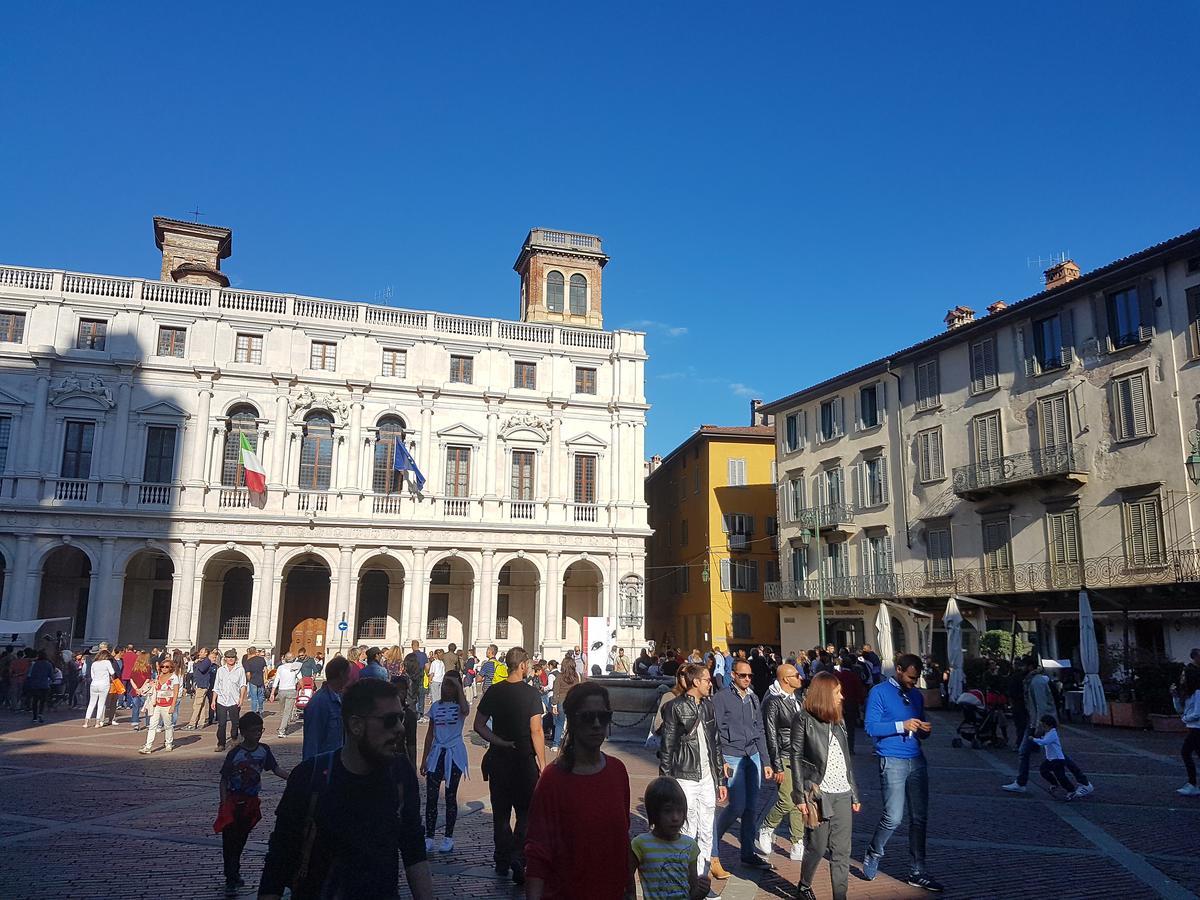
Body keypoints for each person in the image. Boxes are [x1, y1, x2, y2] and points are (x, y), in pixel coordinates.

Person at [258, 679, 434, 899]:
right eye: (389, 720)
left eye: (401, 717)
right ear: (356, 725)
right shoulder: (309, 776)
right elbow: (278, 860)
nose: (400, 728)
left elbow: (413, 849)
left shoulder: (401, 774)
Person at [524, 681, 631, 898]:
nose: (597, 724)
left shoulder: (618, 771)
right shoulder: (552, 780)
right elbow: (538, 851)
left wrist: (629, 891)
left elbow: (622, 840)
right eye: (588, 717)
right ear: (571, 720)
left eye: (604, 716)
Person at [862, 653, 942, 892]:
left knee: (919, 818)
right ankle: (874, 852)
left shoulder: (916, 696)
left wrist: (925, 729)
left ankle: (918, 870)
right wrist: (902, 725)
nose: (913, 682)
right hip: (891, 759)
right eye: (909, 677)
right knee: (893, 816)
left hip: (916, 759)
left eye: (916, 678)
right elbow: (870, 727)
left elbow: (921, 729)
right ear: (898, 669)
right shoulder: (879, 692)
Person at [473, 646, 546, 885]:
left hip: (499, 761)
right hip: (524, 762)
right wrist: (543, 763)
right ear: (523, 665)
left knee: (501, 814)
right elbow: (536, 730)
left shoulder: (494, 691)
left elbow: (479, 725)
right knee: (525, 813)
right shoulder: (532, 694)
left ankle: (501, 859)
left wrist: (499, 741)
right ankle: (518, 854)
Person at [789, 671, 861, 900]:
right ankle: (804, 885)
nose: (841, 697)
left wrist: (855, 794)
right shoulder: (803, 719)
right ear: (824, 694)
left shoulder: (839, 721)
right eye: (837, 692)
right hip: (818, 794)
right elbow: (795, 757)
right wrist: (800, 797)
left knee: (842, 852)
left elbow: (847, 761)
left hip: (842, 792)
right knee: (818, 848)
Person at [659, 663, 728, 879]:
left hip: (707, 777)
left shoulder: (708, 706)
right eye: (707, 680)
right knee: (688, 826)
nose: (710, 683)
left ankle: (702, 875)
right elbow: (667, 746)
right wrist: (666, 782)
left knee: (707, 827)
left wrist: (720, 781)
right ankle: (685, 876)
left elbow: (715, 744)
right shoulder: (675, 707)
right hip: (685, 775)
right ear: (696, 682)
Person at [215, 712, 288, 896]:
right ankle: (231, 876)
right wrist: (223, 802)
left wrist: (293, 778)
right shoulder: (235, 753)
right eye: (254, 731)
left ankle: (234, 871)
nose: (258, 734)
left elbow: (275, 769)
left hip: (250, 803)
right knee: (229, 841)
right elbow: (224, 778)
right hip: (232, 801)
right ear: (244, 732)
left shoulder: (264, 750)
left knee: (240, 839)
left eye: (260, 730)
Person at [710, 658, 773, 872]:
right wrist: (721, 761)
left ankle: (747, 852)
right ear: (733, 675)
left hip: (752, 755)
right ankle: (712, 844)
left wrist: (765, 761)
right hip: (732, 755)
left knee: (750, 808)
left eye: (750, 676)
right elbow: (715, 732)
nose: (747, 679)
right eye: (743, 675)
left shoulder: (754, 698)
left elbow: (760, 730)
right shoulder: (722, 698)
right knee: (737, 806)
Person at [631, 776, 709, 900]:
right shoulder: (641, 844)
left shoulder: (690, 846)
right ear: (654, 813)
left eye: (680, 811)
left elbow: (692, 893)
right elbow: (627, 883)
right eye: (668, 811)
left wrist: (702, 891)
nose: (675, 817)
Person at [757, 663, 806, 861]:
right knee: (786, 798)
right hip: (784, 754)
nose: (800, 678)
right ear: (786, 679)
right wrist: (775, 764)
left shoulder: (797, 699)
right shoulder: (773, 701)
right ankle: (766, 827)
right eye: (796, 675)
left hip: (799, 755)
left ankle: (797, 841)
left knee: (798, 798)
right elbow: (770, 734)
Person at [419, 672, 470, 853]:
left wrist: (458, 686)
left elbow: (466, 710)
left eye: (450, 685)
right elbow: (430, 733)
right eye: (445, 685)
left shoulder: (459, 707)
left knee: (450, 796)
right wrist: (425, 758)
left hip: (454, 753)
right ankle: (429, 836)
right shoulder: (435, 707)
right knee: (432, 797)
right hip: (437, 753)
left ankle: (448, 837)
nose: (446, 689)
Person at [1002, 656, 1058, 793]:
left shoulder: (1036, 682)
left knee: (1054, 754)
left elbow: (1041, 705)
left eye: (1023, 665)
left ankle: (1081, 780)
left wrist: (1040, 724)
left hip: (1038, 722)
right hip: (1035, 721)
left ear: (1030, 667)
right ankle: (1021, 782)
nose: (1020, 668)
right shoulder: (1032, 680)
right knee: (1026, 751)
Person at [1031, 714, 1093, 799]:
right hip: (1051, 758)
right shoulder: (1048, 732)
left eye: (1044, 725)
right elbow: (1043, 742)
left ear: (1050, 725)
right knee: (1044, 771)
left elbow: (1044, 742)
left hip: (1057, 759)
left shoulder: (1052, 733)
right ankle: (1055, 783)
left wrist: (1033, 739)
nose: (1042, 727)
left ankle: (1070, 790)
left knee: (1060, 776)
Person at [302, 656, 350, 760]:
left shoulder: (341, 698)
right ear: (342, 674)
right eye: (348, 674)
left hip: (338, 759)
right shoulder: (319, 702)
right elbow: (312, 739)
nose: (349, 677)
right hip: (324, 761)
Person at [140, 656, 180, 753]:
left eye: (167, 667)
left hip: (168, 704)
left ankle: (169, 743)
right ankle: (148, 746)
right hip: (156, 704)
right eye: (162, 666)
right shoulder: (158, 676)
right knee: (152, 725)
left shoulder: (174, 677)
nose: (164, 668)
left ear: (171, 668)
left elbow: (176, 692)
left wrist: (173, 706)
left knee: (168, 725)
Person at [212, 649, 247, 753]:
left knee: (235, 722)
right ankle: (221, 744)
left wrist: (241, 698)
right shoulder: (221, 670)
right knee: (221, 724)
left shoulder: (240, 670)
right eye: (228, 657)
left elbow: (243, 685)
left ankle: (234, 738)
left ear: (235, 659)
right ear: (225, 659)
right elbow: (216, 686)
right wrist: (214, 700)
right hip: (222, 700)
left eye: (232, 657)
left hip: (234, 700)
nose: (230, 659)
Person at [833, 655, 867, 754]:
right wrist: (861, 702)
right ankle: (850, 748)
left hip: (839, 704)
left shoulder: (838, 676)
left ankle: (840, 747)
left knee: (838, 726)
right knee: (850, 728)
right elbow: (859, 691)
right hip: (851, 704)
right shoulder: (854, 677)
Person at [1178, 667, 1200, 796]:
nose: (1182, 678)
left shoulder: (1198, 692)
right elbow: (1180, 709)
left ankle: (1192, 784)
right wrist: (1175, 697)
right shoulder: (1189, 693)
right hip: (1193, 728)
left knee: (1185, 752)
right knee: (1188, 753)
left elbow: (1197, 712)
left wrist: (1185, 719)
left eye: (1183, 675)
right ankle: (1192, 784)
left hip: (1197, 728)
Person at [270, 653, 302, 737]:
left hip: (281, 691)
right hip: (291, 690)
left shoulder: (280, 668)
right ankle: (283, 727)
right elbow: (300, 679)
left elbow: (276, 680)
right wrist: (302, 689)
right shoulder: (296, 667)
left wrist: (272, 693)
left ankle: (282, 729)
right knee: (286, 712)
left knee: (284, 711)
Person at [549, 659, 578, 751]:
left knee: (559, 723)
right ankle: (573, 743)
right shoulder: (577, 676)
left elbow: (555, 691)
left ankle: (556, 745)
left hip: (561, 701)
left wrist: (554, 705)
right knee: (572, 723)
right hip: (573, 701)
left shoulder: (560, 676)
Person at [83, 649, 114, 727]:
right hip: (104, 684)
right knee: (101, 704)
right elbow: (112, 672)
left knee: (91, 703)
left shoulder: (94, 663)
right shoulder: (107, 662)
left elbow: (92, 676)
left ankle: (86, 722)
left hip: (94, 684)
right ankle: (97, 722)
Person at [404, 639, 429, 718]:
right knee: (421, 695)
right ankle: (420, 713)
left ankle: (414, 711)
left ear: (412, 646)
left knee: (412, 694)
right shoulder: (423, 655)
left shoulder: (409, 656)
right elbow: (427, 666)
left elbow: (405, 667)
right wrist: (426, 673)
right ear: (418, 646)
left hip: (411, 676)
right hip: (420, 675)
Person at [26, 651, 53, 724]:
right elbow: (51, 675)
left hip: (35, 685)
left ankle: (34, 717)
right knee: (42, 701)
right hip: (44, 685)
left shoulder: (35, 664)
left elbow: (31, 674)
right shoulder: (48, 664)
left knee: (35, 701)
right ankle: (40, 714)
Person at [243, 647, 267, 716]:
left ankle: (254, 712)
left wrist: (249, 680)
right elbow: (265, 669)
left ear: (249, 652)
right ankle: (261, 710)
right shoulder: (261, 659)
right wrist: (265, 679)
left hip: (253, 680)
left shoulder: (248, 662)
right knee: (260, 696)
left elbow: (248, 673)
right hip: (260, 679)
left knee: (254, 698)